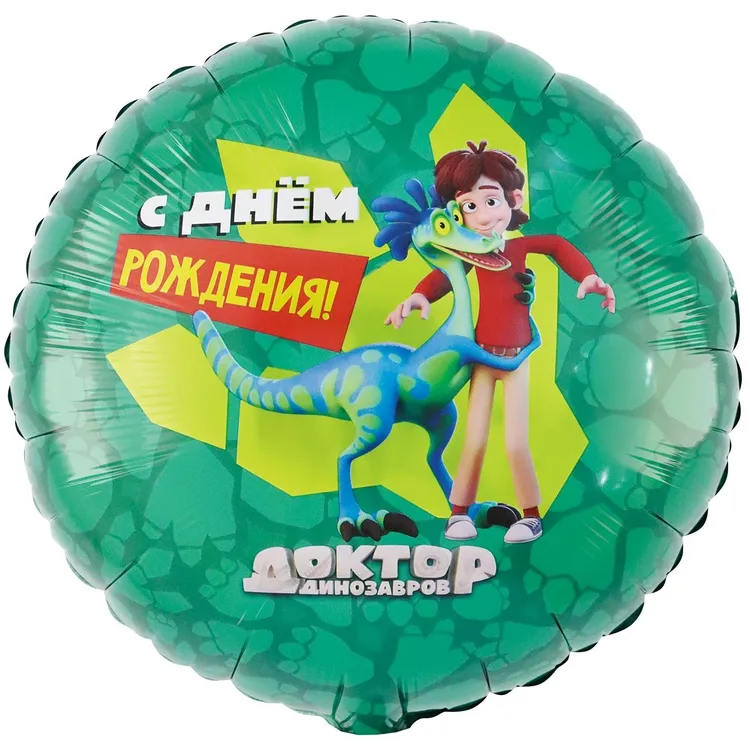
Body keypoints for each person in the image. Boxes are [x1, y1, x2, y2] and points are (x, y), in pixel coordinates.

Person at [386, 141, 616, 543]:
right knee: (473, 439)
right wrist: (419, 295)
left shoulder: (518, 247)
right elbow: (444, 275)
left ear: (514, 200)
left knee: (515, 442)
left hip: (517, 357)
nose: (482, 216)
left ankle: (531, 515)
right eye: (469, 207)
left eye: (491, 201)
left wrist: (588, 276)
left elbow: (558, 246)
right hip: (482, 358)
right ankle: (459, 513)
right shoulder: (471, 253)